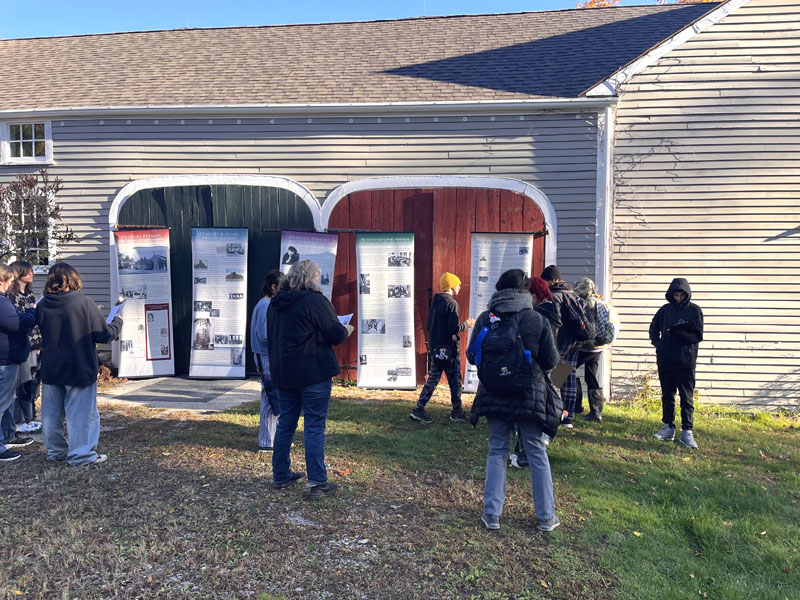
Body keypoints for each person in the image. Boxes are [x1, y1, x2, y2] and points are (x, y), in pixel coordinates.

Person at [467, 269, 561, 531]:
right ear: (525, 291)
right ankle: (546, 517)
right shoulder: (536, 319)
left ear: (499, 289)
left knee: (497, 450)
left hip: (494, 392)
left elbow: (472, 356)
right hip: (528, 395)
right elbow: (552, 361)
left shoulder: (488, 318)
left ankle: (492, 514)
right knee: (535, 451)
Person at [267, 259, 353, 498]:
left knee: (286, 423)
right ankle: (317, 483)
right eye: (317, 277)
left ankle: (280, 474)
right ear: (311, 279)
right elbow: (335, 334)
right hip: (313, 372)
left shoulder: (275, 304)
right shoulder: (315, 301)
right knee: (314, 426)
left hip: (284, 373)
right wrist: (345, 329)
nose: (318, 281)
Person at [36, 263, 122, 465]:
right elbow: (102, 334)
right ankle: (81, 455)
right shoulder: (84, 303)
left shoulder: (42, 304)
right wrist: (117, 322)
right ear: (74, 279)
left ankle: (56, 452)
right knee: (81, 414)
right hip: (79, 365)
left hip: (51, 366)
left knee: (50, 414)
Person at [510, 276, 562, 467]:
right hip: (558, 361)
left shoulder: (538, 315)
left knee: (531, 409)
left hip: (537, 367)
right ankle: (541, 438)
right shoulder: (555, 310)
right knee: (548, 401)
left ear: (535, 295)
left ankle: (524, 454)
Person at [410, 272, 475, 424]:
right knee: (455, 380)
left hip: (436, 348)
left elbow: (429, 325)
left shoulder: (436, 302)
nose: (460, 287)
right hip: (449, 349)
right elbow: (454, 329)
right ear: (451, 286)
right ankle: (456, 412)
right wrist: (467, 324)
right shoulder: (452, 304)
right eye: (458, 284)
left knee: (433, 379)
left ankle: (419, 408)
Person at [649, 278, 703, 450]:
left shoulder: (695, 311)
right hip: (665, 360)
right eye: (676, 295)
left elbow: (698, 335)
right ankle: (668, 427)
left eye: (681, 295)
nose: (678, 298)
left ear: (686, 294)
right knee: (667, 395)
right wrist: (659, 345)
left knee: (687, 398)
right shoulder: (665, 310)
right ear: (671, 295)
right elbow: (653, 328)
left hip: (686, 362)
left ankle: (687, 431)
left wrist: (679, 334)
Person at [0, 264, 36, 462]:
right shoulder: (1, 302)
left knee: (7, 400)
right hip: (4, 360)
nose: (11, 285)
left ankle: (7, 436)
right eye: (10, 281)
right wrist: (32, 313)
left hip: (8, 358)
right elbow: (16, 324)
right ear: (2, 282)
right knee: (2, 401)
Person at [541, 265, 583, 428]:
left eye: (545, 280)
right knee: (569, 375)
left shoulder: (554, 296)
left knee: (552, 375)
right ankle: (568, 416)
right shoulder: (573, 294)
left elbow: (554, 321)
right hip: (577, 339)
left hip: (561, 340)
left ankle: (553, 411)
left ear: (551, 280)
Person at [573, 277, 620, 423]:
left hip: (586, 346)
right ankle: (596, 412)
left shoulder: (587, 303)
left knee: (567, 369)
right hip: (599, 347)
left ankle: (575, 406)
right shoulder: (600, 301)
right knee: (590, 376)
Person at [7, 261, 43, 433]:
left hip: (37, 344)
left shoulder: (29, 295)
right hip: (24, 345)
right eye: (27, 271)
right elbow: (19, 322)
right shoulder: (11, 297)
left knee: (34, 382)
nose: (31, 274)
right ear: (18, 273)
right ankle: (21, 420)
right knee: (24, 383)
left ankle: (31, 416)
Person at [251, 269, 284, 452]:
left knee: (273, 394)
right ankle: (267, 441)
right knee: (271, 396)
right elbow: (263, 335)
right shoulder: (265, 306)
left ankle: (273, 438)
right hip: (265, 354)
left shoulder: (267, 304)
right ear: (273, 287)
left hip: (267, 354)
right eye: (282, 287)